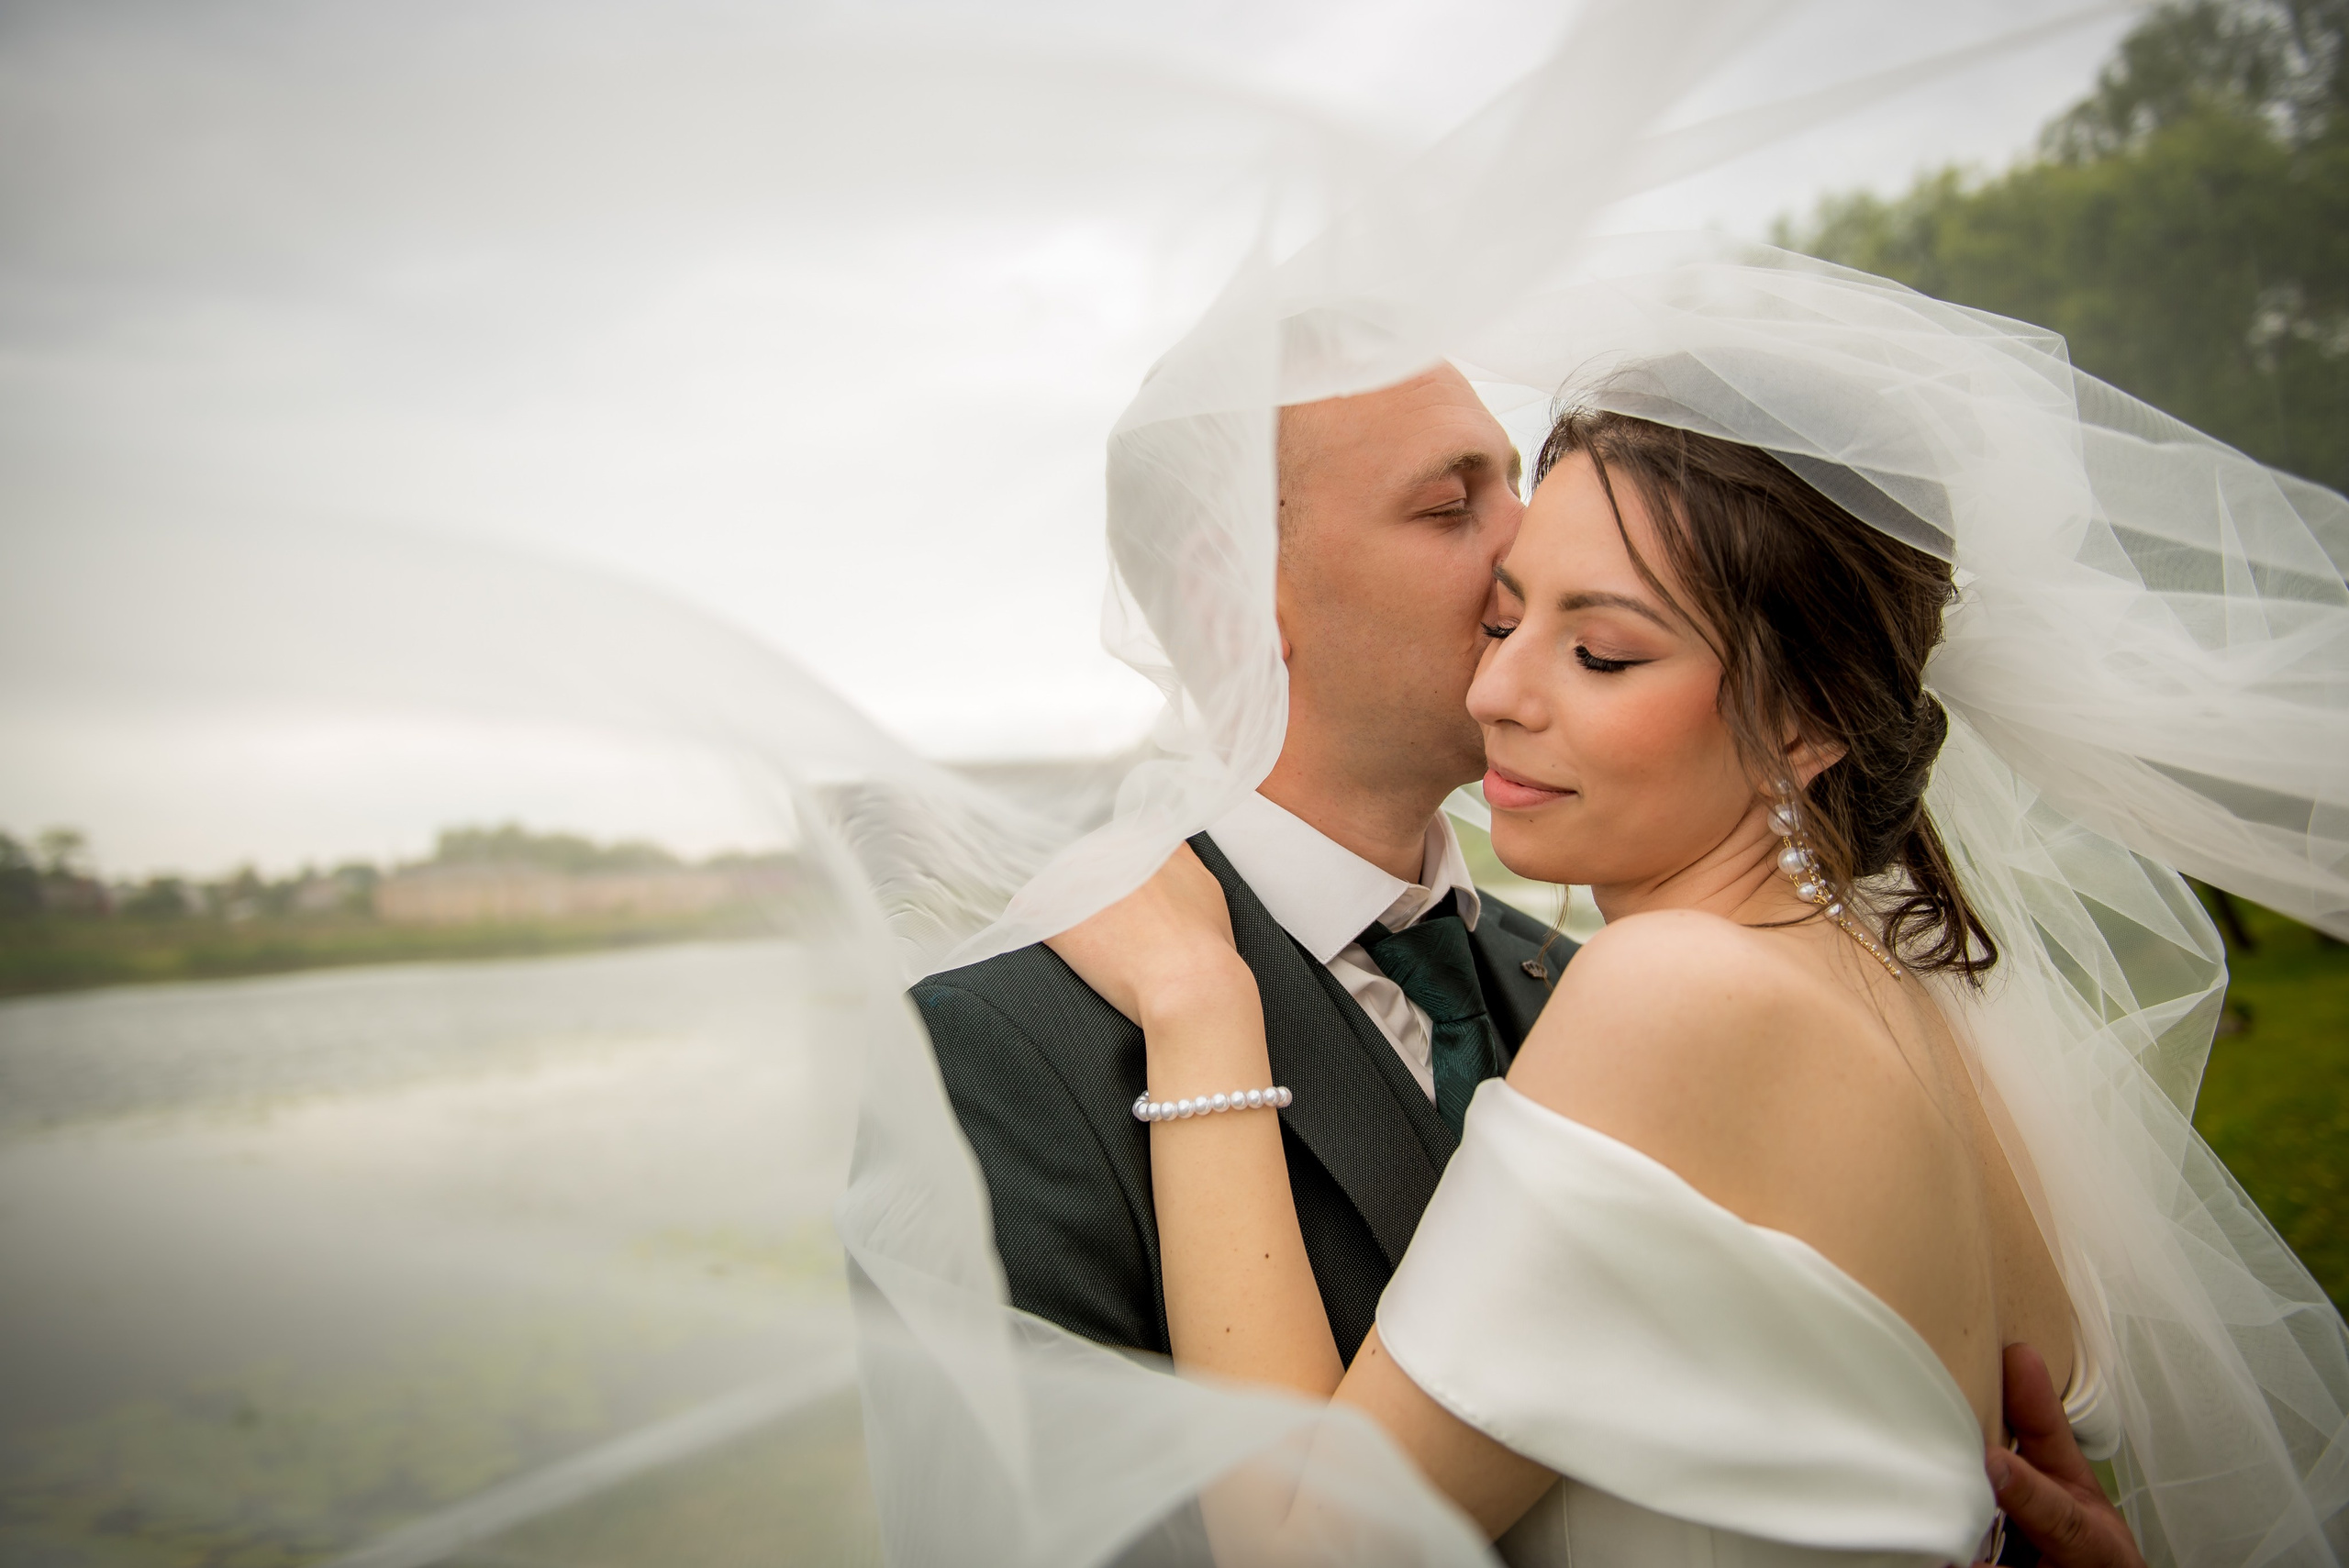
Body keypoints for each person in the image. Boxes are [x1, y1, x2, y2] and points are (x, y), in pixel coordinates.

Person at [922, 362, 2151, 1565]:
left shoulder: (1643, 990)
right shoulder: (1010, 1044)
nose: (1500, 672)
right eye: (1456, 509)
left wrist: (1199, 1009)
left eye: (1601, 647)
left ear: (1808, 716)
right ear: (1232, 597)